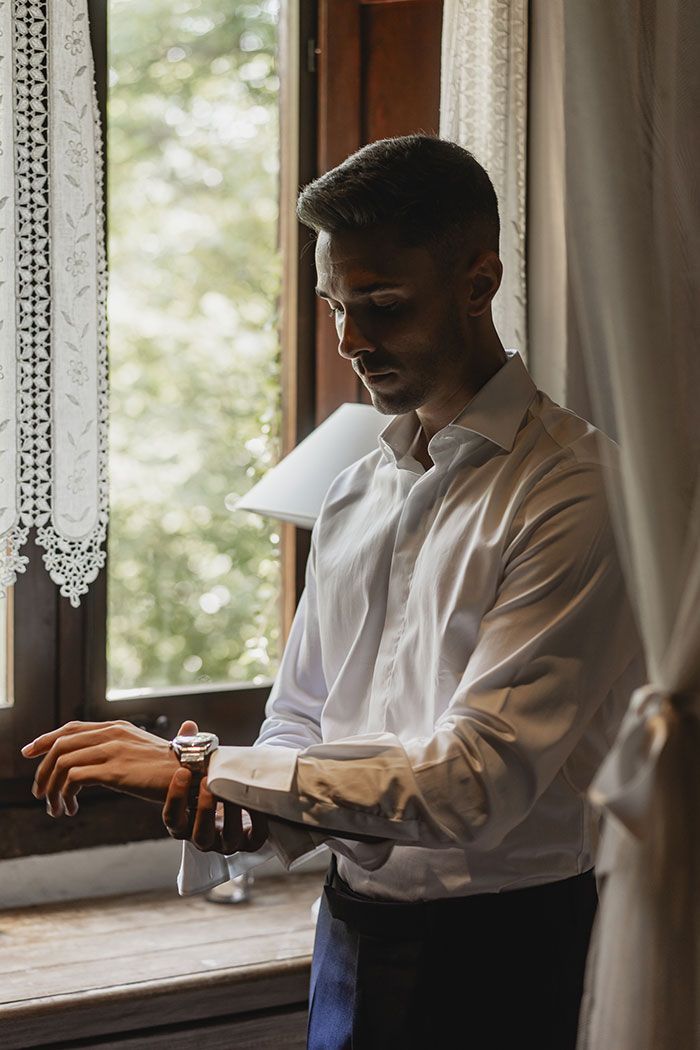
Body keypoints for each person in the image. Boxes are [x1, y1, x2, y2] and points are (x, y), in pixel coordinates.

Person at [22, 135, 645, 1050]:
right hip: (348, 937)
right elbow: (301, 718)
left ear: (478, 284)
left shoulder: (578, 490)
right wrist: (241, 809)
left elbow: (473, 784)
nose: (351, 340)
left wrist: (207, 768)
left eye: (382, 306)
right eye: (335, 307)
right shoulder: (355, 490)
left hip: (512, 957)